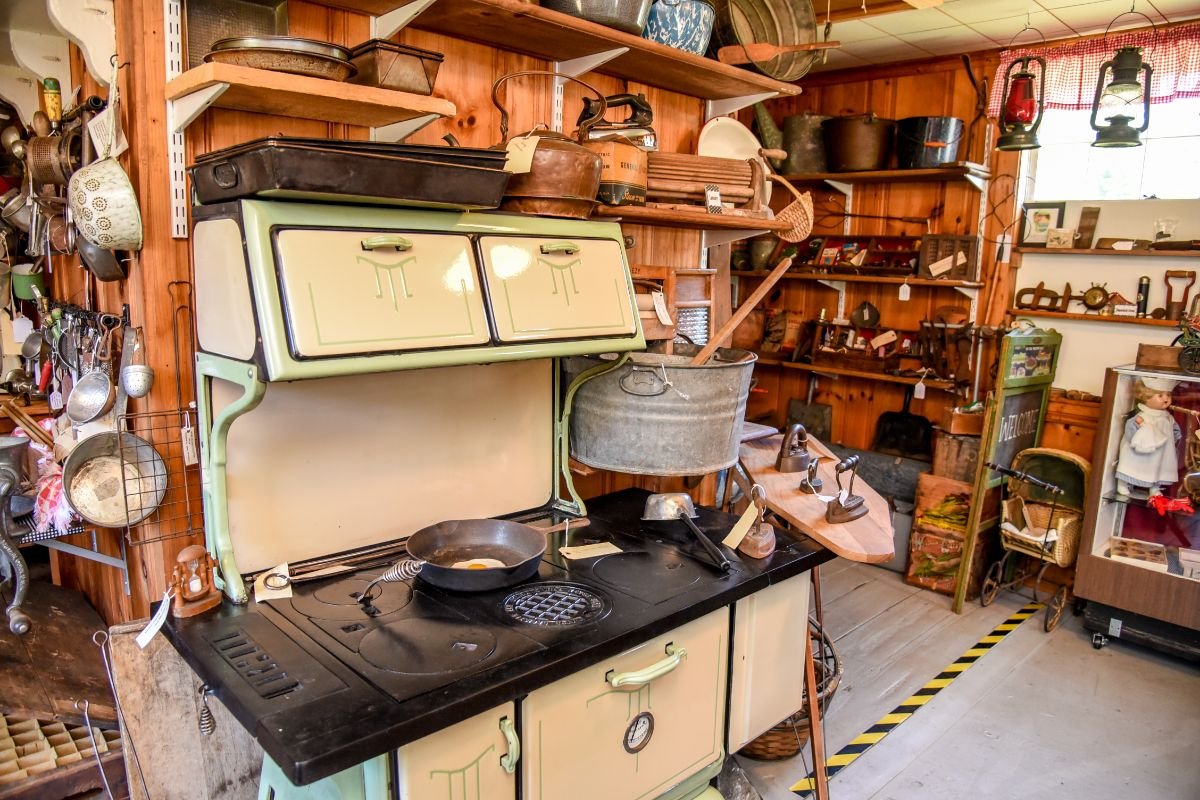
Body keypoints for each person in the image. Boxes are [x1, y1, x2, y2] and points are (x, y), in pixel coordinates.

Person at [1115, 377, 1182, 497]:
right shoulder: (1142, 415)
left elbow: (1174, 429)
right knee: (1131, 464)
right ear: (1146, 396)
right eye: (1160, 395)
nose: (1166, 399)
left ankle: (1154, 488)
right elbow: (1130, 431)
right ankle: (1123, 483)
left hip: (1161, 451)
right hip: (1139, 450)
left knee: (1157, 468)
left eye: (1168, 395)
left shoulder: (1167, 417)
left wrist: (1176, 436)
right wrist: (1137, 441)